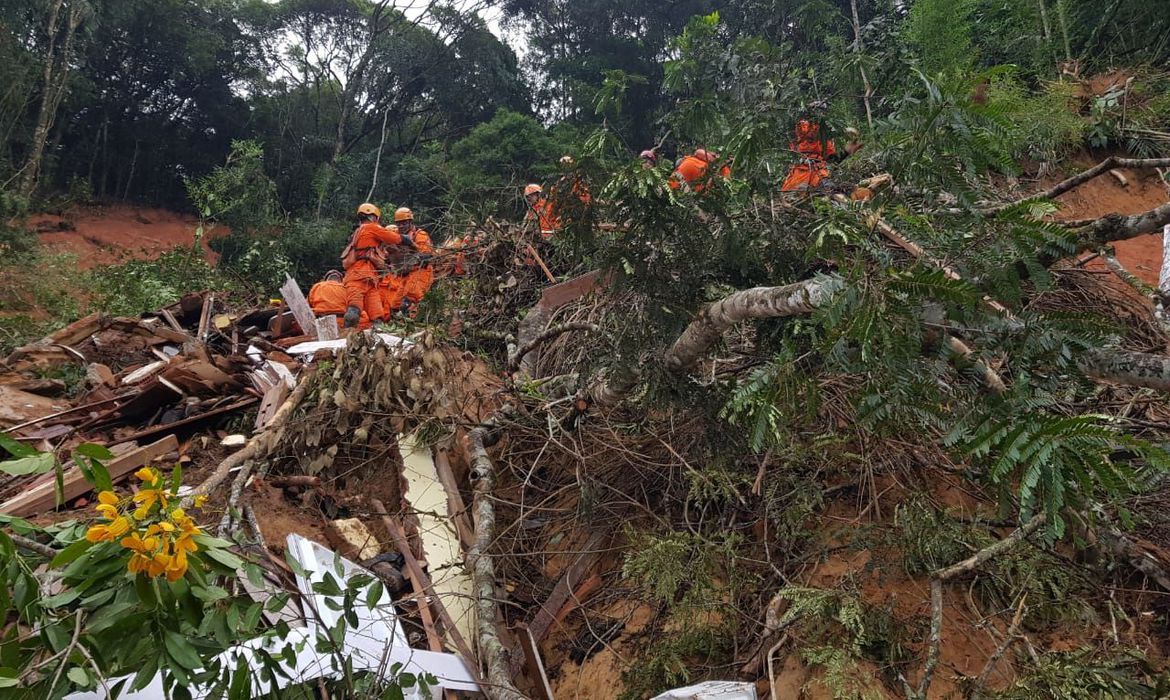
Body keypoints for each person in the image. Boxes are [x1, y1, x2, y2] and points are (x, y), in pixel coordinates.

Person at [341, 203, 412, 328]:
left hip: (370, 280)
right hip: (358, 276)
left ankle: (378, 344)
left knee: (378, 318)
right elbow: (392, 237)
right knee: (353, 313)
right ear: (374, 217)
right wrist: (407, 240)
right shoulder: (370, 228)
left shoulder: (358, 232)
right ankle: (345, 342)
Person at [780, 120, 862, 193]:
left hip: (819, 173)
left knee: (831, 190)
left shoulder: (824, 141)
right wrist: (841, 131)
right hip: (800, 173)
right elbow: (803, 129)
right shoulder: (801, 132)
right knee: (793, 194)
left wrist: (846, 151)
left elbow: (832, 160)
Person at [394, 207, 434, 317]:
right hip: (406, 274)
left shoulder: (420, 235)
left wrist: (410, 258)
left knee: (409, 301)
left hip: (420, 272)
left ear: (410, 222)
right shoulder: (397, 237)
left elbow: (427, 255)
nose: (401, 226)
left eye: (404, 223)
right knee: (394, 305)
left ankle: (411, 324)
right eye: (399, 224)